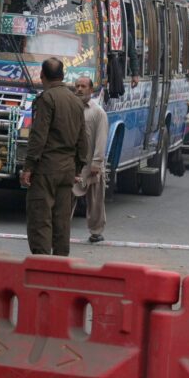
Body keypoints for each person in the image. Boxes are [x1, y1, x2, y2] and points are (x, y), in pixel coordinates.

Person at [21, 58, 87, 256]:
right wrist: (77, 168)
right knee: (62, 219)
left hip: (47, 167)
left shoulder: (46, 99)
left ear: (42, 76)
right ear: (63, 76)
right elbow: (83, 138)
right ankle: (60, 263)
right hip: (67, 168)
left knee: (40, 218)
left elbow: (38, 136)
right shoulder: (76, 101)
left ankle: (42, 263)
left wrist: (28, 166)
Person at [73, 75, 108, 243]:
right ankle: (61, 229)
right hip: (73, 163)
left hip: (92, 163)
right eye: (77, 86)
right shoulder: (71, 108)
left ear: (91, 90)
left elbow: (101, 139)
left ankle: (96, 231)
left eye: (83, 86)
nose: (79, 89)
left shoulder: (98, 112)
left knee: (95, 200)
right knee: (66, 198)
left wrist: (97, 163)